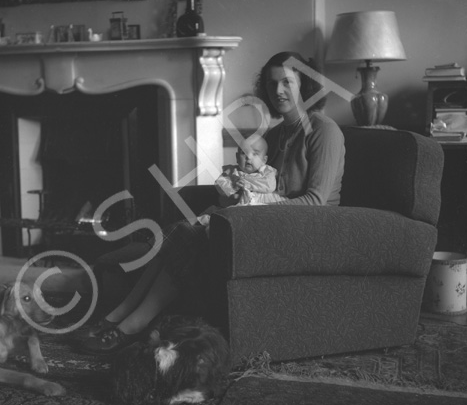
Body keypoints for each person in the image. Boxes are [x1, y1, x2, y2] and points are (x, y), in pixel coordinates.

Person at [78, 51, 345, 355]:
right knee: (180, 231)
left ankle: (130, 326)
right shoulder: (274, 134)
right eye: (272, 85)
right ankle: (118, 317)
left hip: (307, 230)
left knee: (187, 234)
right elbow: (254, 180)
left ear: (305, 84)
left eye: (287, 82)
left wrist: (253, 206)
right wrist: (230, 195)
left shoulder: (324, 131)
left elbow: (316, 201)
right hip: (263, 219)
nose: (279, 91)